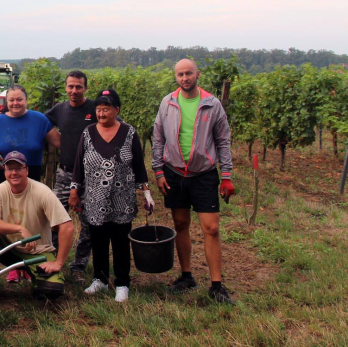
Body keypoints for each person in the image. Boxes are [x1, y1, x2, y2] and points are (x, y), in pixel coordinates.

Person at [152, 58, 235, 304]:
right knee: (180, 223)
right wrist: (158, 172)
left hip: (204, 174)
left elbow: (223, 141)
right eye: (180, 74)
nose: (185, 78)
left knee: (212, 228)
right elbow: (158, 139)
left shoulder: (212, 103)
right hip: (174, 172)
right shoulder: (167, 103)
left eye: (189, 73)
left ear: (197, 74)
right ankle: (186, 276)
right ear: (176, 77)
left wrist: (227, 176)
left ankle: (217, 285)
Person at [69, 89, 153, 302]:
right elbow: (79, 165)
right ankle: (100, 278)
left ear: (117, 110)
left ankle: (122, 283)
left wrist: (147, 192)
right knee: (98, 239)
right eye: (98, 109)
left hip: (122, 198)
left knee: (121, 240)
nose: (101, 114)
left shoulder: (129, 133)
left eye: (106, 109)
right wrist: (74, 191)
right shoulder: (88, 133)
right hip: (95, 198)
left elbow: (138, 166)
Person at [0, 151, 75, 306]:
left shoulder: (42, 192)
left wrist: (59, 263)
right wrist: (19, 228)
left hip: (38, 251)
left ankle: (38, 281)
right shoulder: (1, 190)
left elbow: (67, 227)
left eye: (19, 168)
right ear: (5, 171)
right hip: (9, 248)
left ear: (27, 170)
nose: (14, 173)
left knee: (52, 290)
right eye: (10, 169)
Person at [44, 70, 97, 283]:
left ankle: (78, 267)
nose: (74, 91)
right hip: (65, 173)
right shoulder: (60, 109)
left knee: (90, 223)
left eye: (78, 86)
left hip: (91, 176)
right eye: (70, 87)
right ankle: (54, 261)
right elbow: (39, 122)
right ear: (65, 88)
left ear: (85, 88)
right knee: (55, 219)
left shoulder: (94, 109)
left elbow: (116, 124)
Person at [0, 84, 60, 187]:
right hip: (3, 176)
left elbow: (60, 142)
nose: (15, 103)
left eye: (19, 99)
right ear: (7, 101)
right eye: (11, 100)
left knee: (30, 203)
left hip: (31, 176)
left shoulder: (40, 120)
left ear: (26, 100)